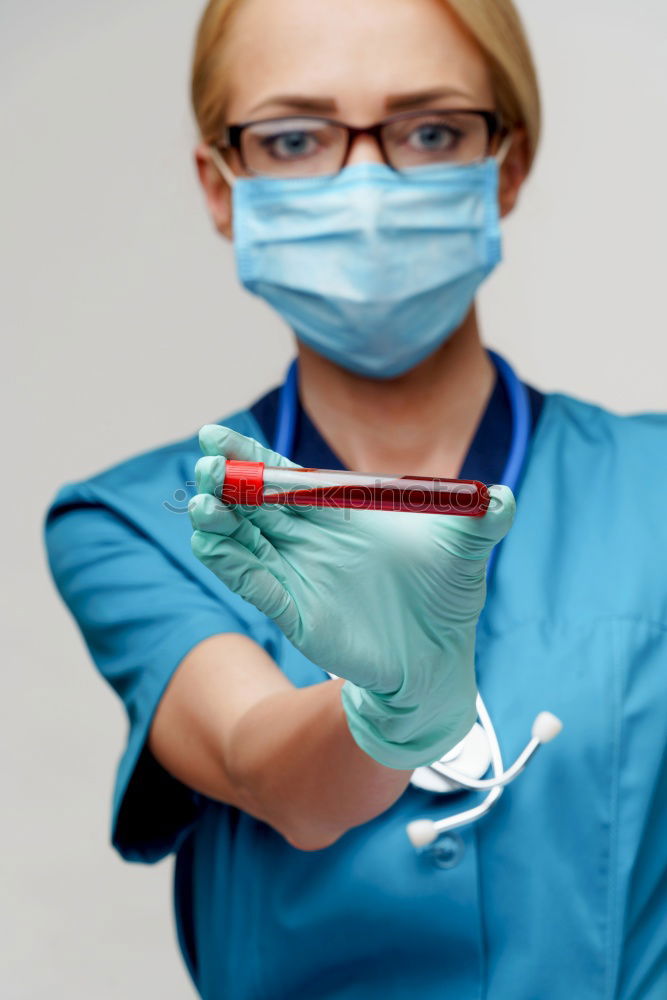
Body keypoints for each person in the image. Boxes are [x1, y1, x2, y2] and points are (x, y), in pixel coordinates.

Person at [44, 0, 667, 997]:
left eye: (429, 131)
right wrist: (396, 709)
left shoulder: (654, 487)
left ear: (505, 163)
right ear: (222, 185)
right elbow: (265, 767)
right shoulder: (141, 521)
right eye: (295, 138)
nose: (367, 184)